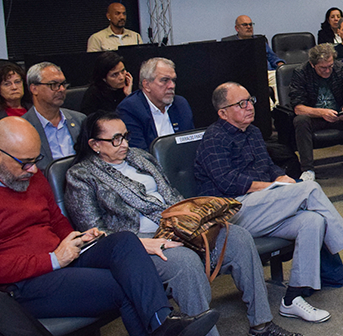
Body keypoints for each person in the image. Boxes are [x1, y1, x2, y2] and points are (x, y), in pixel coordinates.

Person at [64, 112, 299, 336]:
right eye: (116, 139)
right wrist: (142, 242)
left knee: (238, 237)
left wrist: (192, 221)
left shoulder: (140, 157)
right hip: (139, 244)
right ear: (95, 144)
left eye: (126, 136)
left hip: (178, 226)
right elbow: (95, 232)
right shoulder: (82, 176)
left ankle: (261, 325)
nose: (124, 144)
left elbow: (172, 194)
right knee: (185, 262)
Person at [194, 82, 343, 323]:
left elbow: (268, 166)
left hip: (260, 205)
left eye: (250, 100)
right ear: (223, 113)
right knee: (309, 188)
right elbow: (227, 181)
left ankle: (292, 298)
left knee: (312, 221)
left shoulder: (252, 132)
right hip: (230, 212)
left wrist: (280, 177)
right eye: (241, 104)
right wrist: (272, 186)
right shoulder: (214, 138)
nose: (249, 107)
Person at [0, 117, 219, 336]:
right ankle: (162, 327)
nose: (33, 169)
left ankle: (163, 323)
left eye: (36, 160)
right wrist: (53, 260)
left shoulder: (32, 178)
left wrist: (76, 238)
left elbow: (55, 219)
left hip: (61, 258)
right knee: (124, 285)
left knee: (125, 240)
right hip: (26, 281)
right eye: (24, 163)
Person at [288, 43, 343, 183]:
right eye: (323, 68)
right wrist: (321, 113)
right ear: (312, 65)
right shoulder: (301, 73)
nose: (327, 71)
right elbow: (298, 108)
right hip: (316, 118)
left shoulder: (341, 69)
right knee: (300, 121)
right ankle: (308, 170)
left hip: (339, 116)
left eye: (330, 66)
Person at [117, 58, 195, 153]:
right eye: (165, 80)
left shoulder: (180, 104)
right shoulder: (130, 109)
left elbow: (191, 145)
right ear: (147, 85)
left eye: (173, 80)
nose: (172, 85)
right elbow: (139, 154)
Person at [24, 62, 85, 167]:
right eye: (53, 85)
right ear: (34, 89)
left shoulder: (80, 120)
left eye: (63, 84)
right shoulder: (24, 128)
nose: (61, 89)